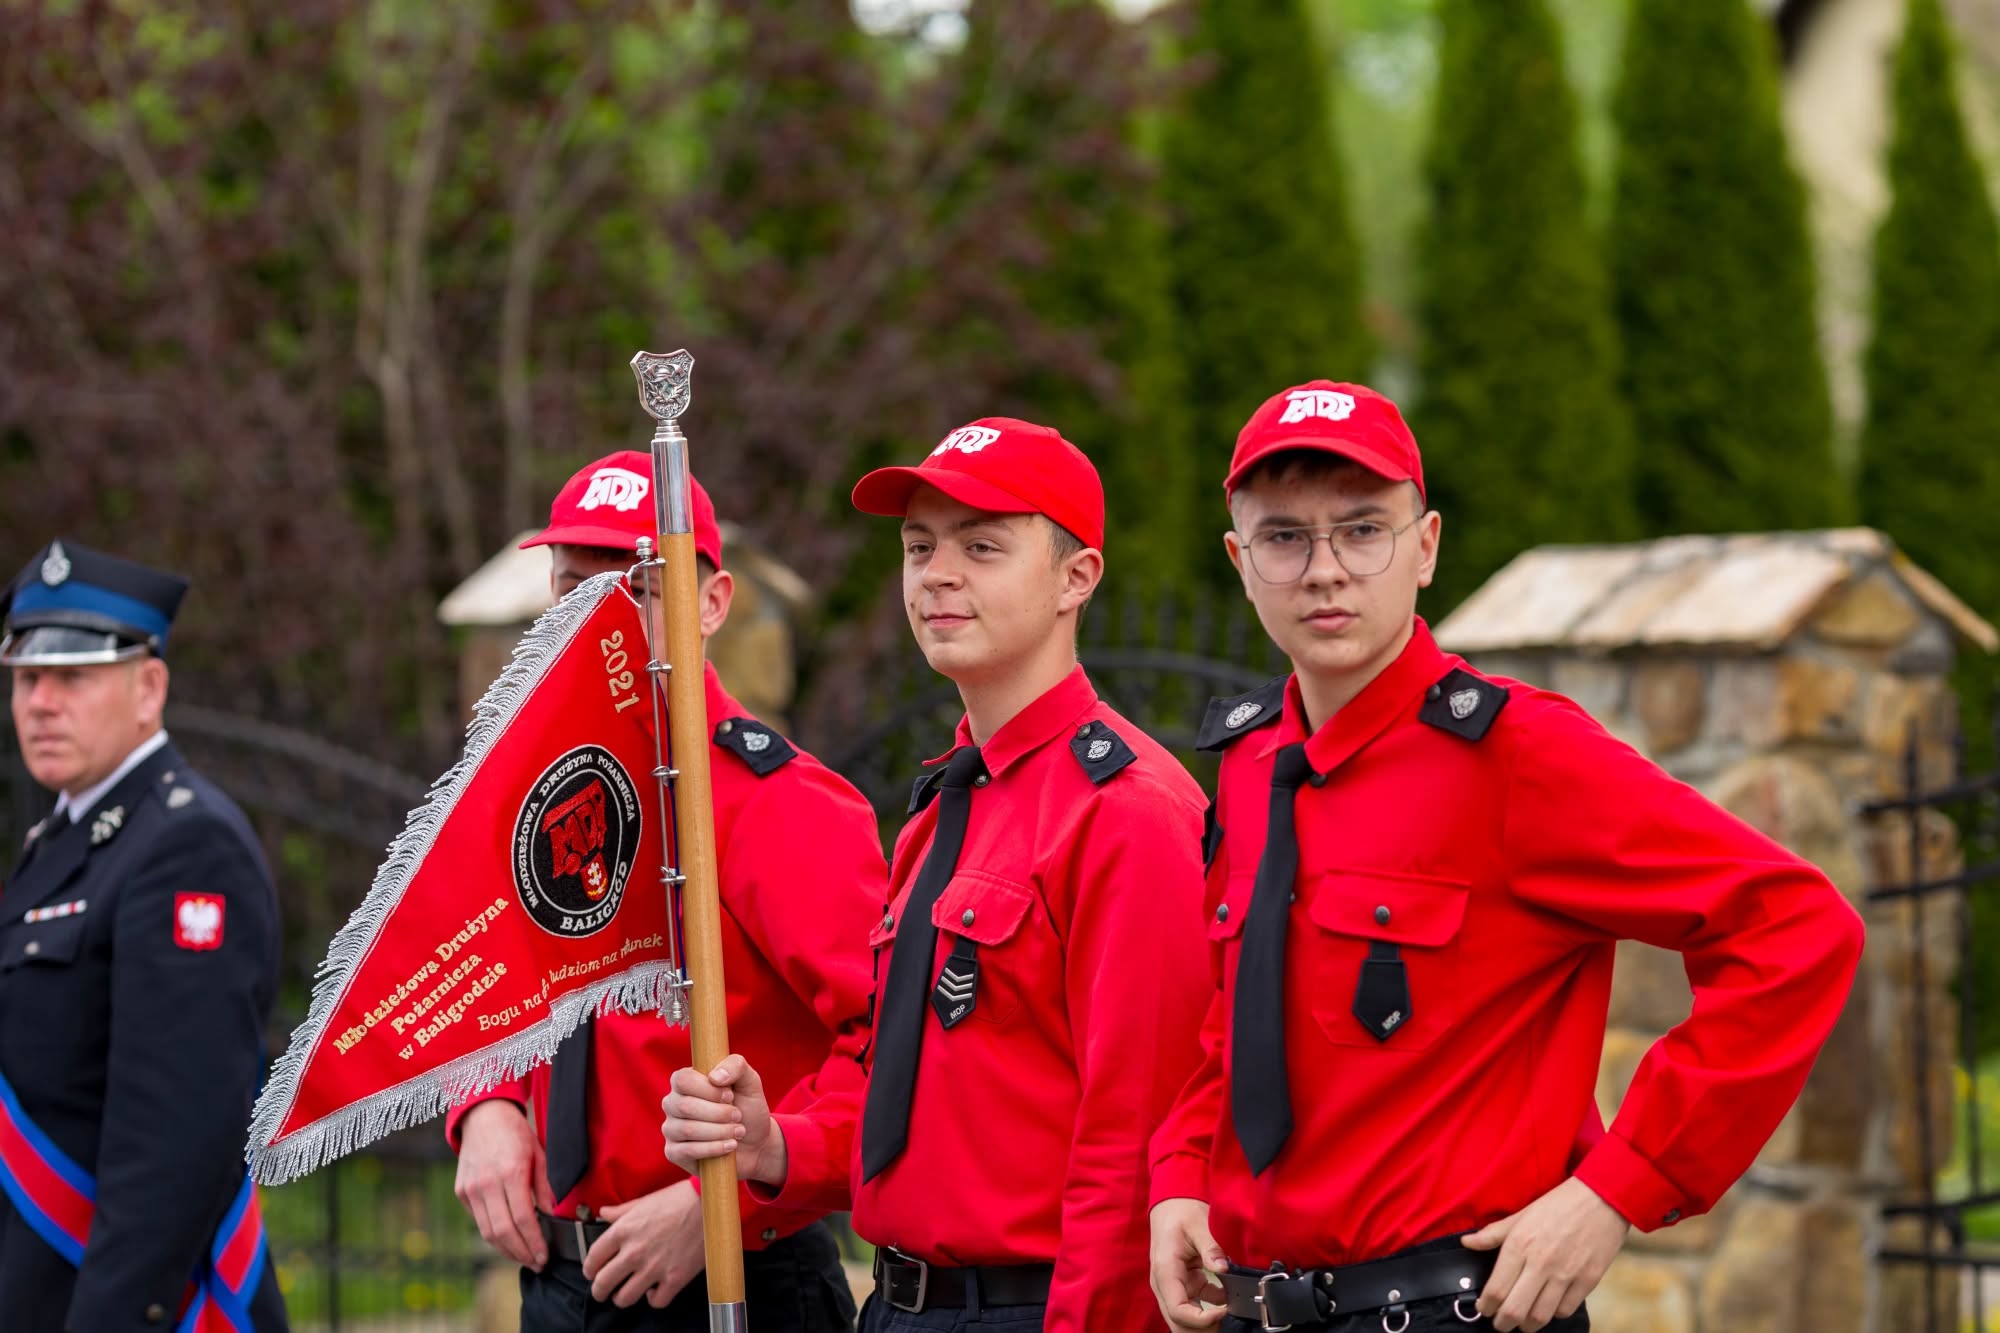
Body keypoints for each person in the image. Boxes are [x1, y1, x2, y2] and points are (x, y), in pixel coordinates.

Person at [1145, 382, 1868, 1333]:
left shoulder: (1520, 754)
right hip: (1254, 1306)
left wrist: (1619, 1186)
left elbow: (1796, 928)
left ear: (1426, 547)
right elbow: (1237, 1019)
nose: (1324, 570)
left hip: (1455, 1310)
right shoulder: (1247, 765)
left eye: (1362, 531)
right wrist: (1181, 1173)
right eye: (1284, 538)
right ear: (1240, 562)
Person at [661, 418, 1210, 1333]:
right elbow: (915, 1102)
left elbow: (1135, 1150)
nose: (937, 575)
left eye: (981, 547)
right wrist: (777, 1145)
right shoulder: (948, 803)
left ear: (1077, 578)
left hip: (1033, 1309)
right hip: (899, 1304)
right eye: (919, 547)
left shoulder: (1126, 810)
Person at [446, 450, 883, 1333]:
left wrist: (724, 1203)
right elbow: (488, 979)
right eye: (573, 589)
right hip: (560, 1284)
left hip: (732, 1279)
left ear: (712, 604)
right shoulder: (538, 789)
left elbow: (889, 1061)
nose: (596, 622)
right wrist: (485, 1104)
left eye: (637, 591)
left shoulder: (783, 804)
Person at [0, 539, 289, 1332]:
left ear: (149, 689)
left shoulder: (186, 846)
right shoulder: (63, 839)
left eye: (73, 676)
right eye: (26, 677)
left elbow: (174, 1145)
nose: (40, 702)